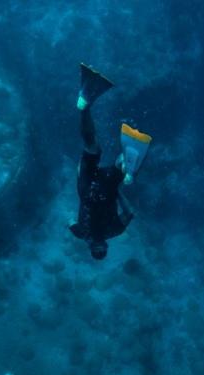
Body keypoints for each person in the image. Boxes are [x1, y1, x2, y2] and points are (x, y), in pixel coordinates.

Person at [69, 64, 150, 260]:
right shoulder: (86, 233)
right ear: (105, 247)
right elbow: (70, 220)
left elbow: (130, 213)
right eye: (102, 250)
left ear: (95, 248)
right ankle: (84, 105)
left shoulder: (110, 232)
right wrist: (118, 193)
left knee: (105, 156)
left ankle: (84, 105)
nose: (99, 246)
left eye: (97, 250)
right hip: (92, 187)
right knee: (94, 148)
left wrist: (119, 192)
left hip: (97, 188)